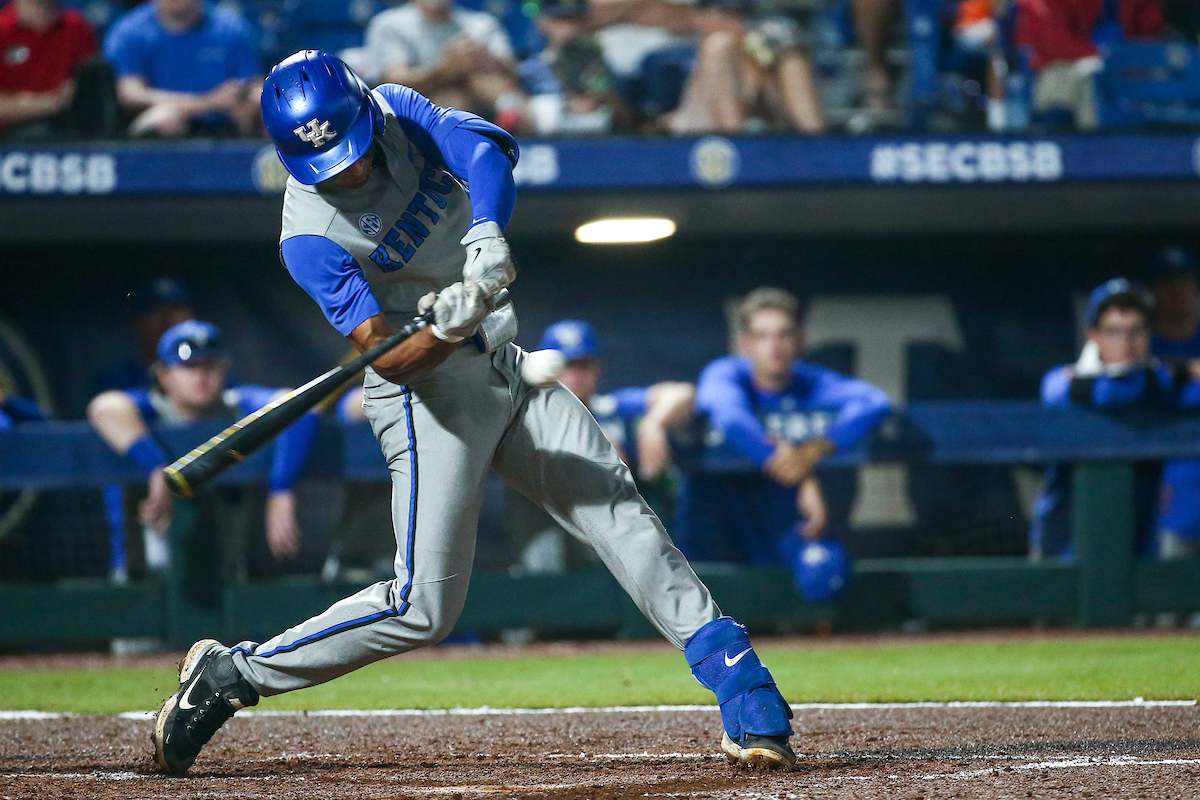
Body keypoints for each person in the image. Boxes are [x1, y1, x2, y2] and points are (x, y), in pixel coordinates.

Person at [151, 50, 797, 776]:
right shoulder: (309, 237)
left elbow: (486, 152)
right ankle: (234, 676)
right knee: (423, 606)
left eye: (350, 153)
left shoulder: (396, 110)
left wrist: (486, 235)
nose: (347, 173)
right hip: (427, 397)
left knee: (617, 509)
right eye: (327, 166)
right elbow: (384, 358)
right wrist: (442, 330)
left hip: (504, 360)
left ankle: (736, 676)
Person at [675, 287, 891, 567]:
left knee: (823, 572)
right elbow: (729, 417)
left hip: (784, 515)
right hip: (721, 513)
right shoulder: (727, 373)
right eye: (762, 336)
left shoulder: (810, 382)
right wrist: (802, 474)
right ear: (746, 344)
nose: (774, 345)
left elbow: (875, 402)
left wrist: (815, 449)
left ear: (800, 340)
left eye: (784, 334)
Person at [87, 320, 319, 577]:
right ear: (164, 376)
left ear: (224, 369)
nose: (201, 376)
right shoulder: (152, 409)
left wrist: (281, 490)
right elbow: (104, 407)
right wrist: (156, 468)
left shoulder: (236, 404)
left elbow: (299, 405)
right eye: (189, 366)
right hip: (149, 570)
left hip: (227, 566)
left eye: (210, 365)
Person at [1030, 279, 1199, 560]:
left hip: (1138, 549)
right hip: (1064, 547)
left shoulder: (1161, 385)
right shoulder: (1064, 381)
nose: (1126, 343)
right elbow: (1100, 391)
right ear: (1094, 336)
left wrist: (1171, 375)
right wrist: (1174, 372)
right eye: (1114, 332)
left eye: (1136, 331)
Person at [509, 319, 696, 573]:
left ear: (597, 369)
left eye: (583, 365)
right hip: (551, 532)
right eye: (565, 365)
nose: (574, 375)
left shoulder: (611, 409)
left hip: (614, 531)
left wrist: (653, 424)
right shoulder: (526, 415)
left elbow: (681, 393)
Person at [104, 0, 262, 137]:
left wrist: (247, 100)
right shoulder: (128, 32)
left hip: (226, 119)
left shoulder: (231, 28)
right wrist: (207, 102)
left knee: (263, 107)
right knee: (165, 118)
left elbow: (252, 83)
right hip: (163, 121)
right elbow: (131, 93)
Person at [360, 0, 527, 130]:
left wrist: (486, 59)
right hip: (417, 116)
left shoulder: (481, 24)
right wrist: (444, 72)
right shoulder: (390, 23)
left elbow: (513, 73)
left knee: (482, 85)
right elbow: (391, 84)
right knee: (450, 95)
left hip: (482, 102)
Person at [667, 0, 824, 134]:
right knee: (719, 45)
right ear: (699, 17)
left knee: (790, 56)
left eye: (739, 13)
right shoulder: (677, 57)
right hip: (701, 145)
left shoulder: (764, 58)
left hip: (765, 149)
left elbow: (779, 114)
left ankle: (821, 148)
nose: (734, 22)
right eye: (724, 13)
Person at [1015, 0, 1163, 130]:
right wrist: (1100, 56)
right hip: (1057, 68)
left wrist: (1119, 58)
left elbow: (1150, 34)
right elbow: (1053, 43)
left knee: (1164, 73)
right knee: (1080, 81)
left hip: (1125, 66)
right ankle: (1093, 151)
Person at [1144, 247, 1200, 560]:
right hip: (1168, 498)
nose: (1177, 292)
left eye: (1184, 282)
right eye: (1166, 284)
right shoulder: (1139, 344)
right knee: (1166, 599)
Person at [0, 0, 118, 138]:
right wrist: (50, 104)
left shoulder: (76, 26)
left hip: (70, 129)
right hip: (10, 138)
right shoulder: (3, 29)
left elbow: (92, 92)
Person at [519, 0, 630, 135]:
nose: (569, 27)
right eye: (561, 20)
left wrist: (600, 99)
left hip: (597, 137)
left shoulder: (600, 58)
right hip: (545, 138)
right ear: (544, 22)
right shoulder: (531, 66)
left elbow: (624, 114)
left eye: (575, 20)